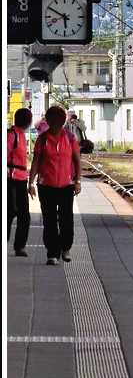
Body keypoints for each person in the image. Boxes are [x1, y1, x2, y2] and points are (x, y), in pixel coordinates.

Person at [28, 105, 82, 266]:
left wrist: (77, 181)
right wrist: (30, 182)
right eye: (53, 119)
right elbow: (36, 161)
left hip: (66, 184)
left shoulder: (70, 138)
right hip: (46, 185)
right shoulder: (42, 139)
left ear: (63, 121)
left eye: (59, 119)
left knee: (66, 219)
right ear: (49, 121)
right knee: (50, 220)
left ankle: (66, 248)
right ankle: (52, 253)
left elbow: (77, 161)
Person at [7, 107, 33, 257]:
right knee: (10, 211)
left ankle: (20, 246)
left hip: (21, 179)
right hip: (10, 178)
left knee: (24, 215)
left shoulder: (21, 136)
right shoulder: (11, 135)